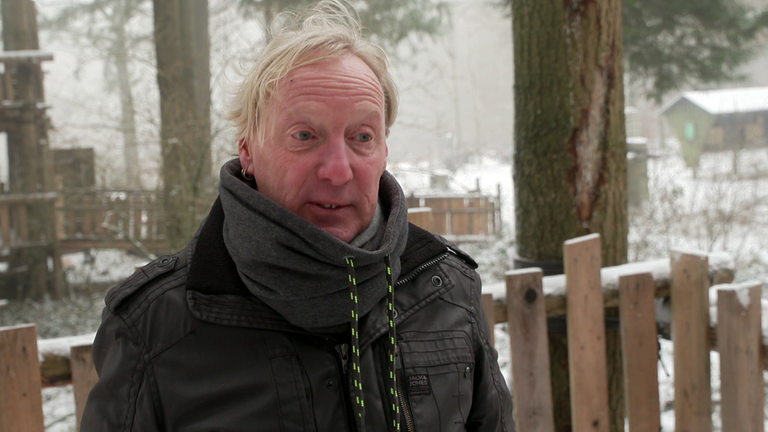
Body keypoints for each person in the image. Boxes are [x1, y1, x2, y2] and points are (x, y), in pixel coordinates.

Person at [80, 1, 513, 431]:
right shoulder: (154, 329)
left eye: (362, 137)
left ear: (384, 151)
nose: (338, 171)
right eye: (304, 135)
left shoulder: (447, 291)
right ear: (248, 150)